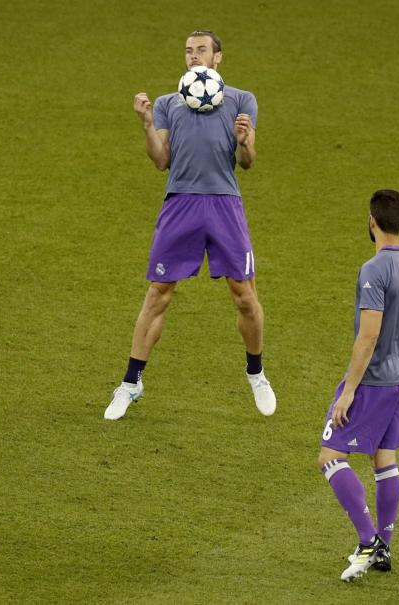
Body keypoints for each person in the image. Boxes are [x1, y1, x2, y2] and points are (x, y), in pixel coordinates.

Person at [104, 30, 276, 421]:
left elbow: (248, 162)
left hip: (224, 204)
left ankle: (256, 373)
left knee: (244, 295)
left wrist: (245, 140)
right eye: (188, 51)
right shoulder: (167, 103)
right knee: (158, 293)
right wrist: (147, 124)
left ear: (218, 58)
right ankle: (131, 383)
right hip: (180, 203)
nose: (194, 56)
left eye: (201, 50)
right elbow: (160, 160)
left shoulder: (242, 100)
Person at [316, 189, 399, 581]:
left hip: (375, 382)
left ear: (372, 221)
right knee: (384, 459)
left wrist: (349, 390)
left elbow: (368, 337)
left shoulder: (375, 269)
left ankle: (368, 542)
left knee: (330, 455)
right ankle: (384, 546)